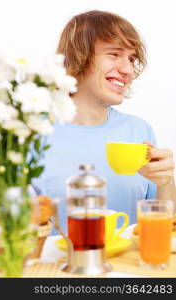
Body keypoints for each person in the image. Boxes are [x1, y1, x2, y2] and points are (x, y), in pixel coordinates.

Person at [33, 10, 176, 231]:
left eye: (131, 58)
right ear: (78, 56)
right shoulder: (30, 133)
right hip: (57, 265)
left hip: (130, 265)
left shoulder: (139, 130)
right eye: (114, 54)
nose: (127, 69)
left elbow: (165, 230)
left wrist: (166, 183)